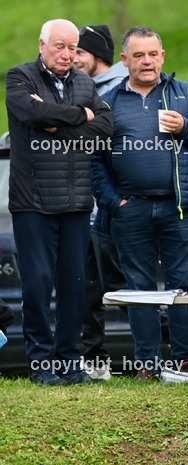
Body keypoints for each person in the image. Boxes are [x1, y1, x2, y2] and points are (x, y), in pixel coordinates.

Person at [92, 25, 188, 380]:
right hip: (128, 208)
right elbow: (95, 161)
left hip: (179, 207)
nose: (147, 62)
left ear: (162, 56)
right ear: (124, 60)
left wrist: (185, 128)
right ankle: (147, 365)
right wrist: (113, 202)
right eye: (138, 56)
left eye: (153, 54)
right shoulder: (110, 103)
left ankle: (184, 362)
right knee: (139, 287)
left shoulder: (185, 94)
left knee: (181, 285)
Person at [7, 18, 113, 385]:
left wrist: (62, 122)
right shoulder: (19, 77)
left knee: (75, 285)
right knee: (37, 284)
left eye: (73, 48)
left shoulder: (85, 82)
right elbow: (32, 113)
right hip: (32, 201)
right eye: (60, 47)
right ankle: (41, 363)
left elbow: (105, 125)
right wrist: (79, 116)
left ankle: (70, 361)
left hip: (76, 201)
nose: (67, 54)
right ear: (42, 44)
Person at [75, 23, 130, 381]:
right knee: (89, 289)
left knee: (128, 289)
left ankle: (164, 356)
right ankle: (94, 360)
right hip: (84, 210)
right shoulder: (78, 89)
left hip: (116, 208)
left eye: (79, 52)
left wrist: (118, 203)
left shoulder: (122, 91)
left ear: (98, 57)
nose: (72, 58)